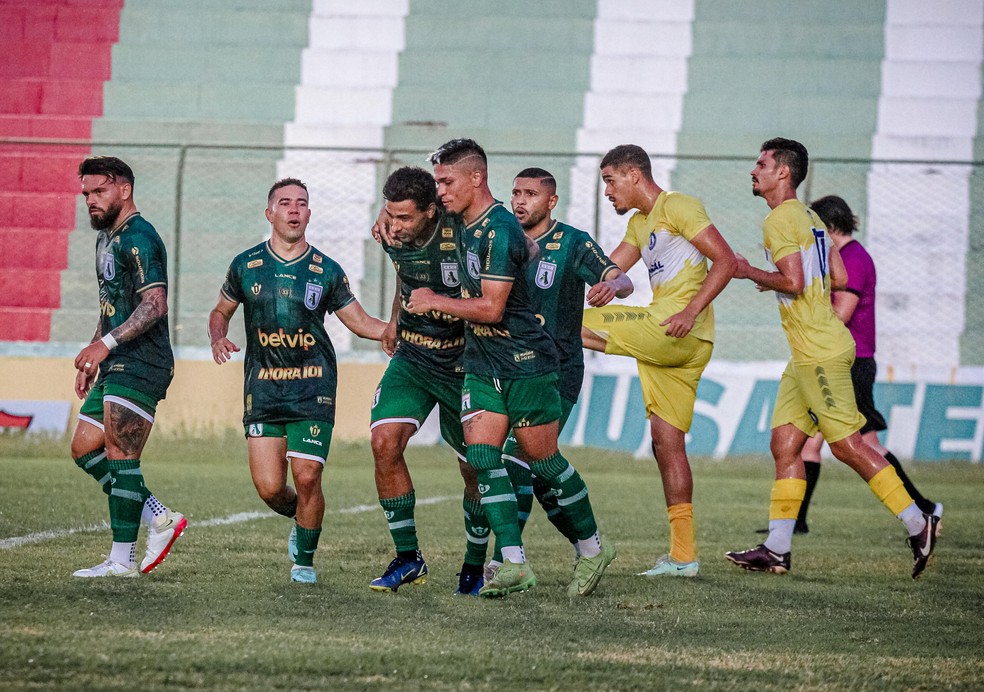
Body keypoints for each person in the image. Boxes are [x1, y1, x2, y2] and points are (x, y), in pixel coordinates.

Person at [407, 138, 616, 598]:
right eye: (437, 182)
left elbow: (493, 308)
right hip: (483, 362)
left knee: (543, 462)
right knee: (482, 456)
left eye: (446, 182)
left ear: (476, 178)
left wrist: (433, 300)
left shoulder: (499, 228)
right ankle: (515, 563)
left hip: (527, 362)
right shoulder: (465, 219)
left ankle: (592, 547)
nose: (439, 191)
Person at [726, 138, 939, 579]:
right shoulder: (808, 217)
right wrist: (782, 279)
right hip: (807, 351)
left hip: (819, 350)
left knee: (846, 446)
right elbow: (836, 274)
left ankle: (919, 523)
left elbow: (795, 282)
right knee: (785, 444)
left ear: (783, 172)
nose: (754, 170)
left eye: (761, 163)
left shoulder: (781, 219)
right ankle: (777, 548)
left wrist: (749, 271)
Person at [209, 178, 387, 584]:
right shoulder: (246, 264)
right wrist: (218, 336)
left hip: (313, 386)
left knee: (307, 476)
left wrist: (394, 331)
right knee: (271, 489)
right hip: (264, 388)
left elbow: (359, 323)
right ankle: (304, 516)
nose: (294, 209)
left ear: (309, 213)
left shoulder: (326, 270)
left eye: (302, 203)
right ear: (269, 213)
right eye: (285, 203)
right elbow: (220, 311)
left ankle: (304, 562)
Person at [580, 144, 737, 578]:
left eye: (610, 181)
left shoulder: (679, 206)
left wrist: (689, 311)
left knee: (562, 322)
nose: (607, 192)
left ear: (633, 174)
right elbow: (612, 268)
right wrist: (611, 284)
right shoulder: (639, 223)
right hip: (678, 344)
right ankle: (683, 557)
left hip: (675, 326)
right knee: (666, 444)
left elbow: (725, 261)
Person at [484, 167, 633, 576]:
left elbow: (621, 279)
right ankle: (589, 547)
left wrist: (611, 286)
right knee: (532, 473)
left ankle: (504, 561)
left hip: (556, 371)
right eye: (515, 192)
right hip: (504, 367)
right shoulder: (499, 239)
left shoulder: (571, 242)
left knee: (519, 460)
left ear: (551, 202)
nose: (519, 201)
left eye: (530, 194)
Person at [366, 166, 491, 596]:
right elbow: (406, 272)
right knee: (384, 442)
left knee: (473, 469)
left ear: (432, 211)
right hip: (414, 357)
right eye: (390, 215)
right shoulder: (391, 233)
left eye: (405, 218)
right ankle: (407, 557)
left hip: (463, 363)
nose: (395, 226)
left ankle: (474, 564)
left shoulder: (464, 235)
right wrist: (396, 319)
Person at [785, 195, 942, 534]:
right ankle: (794, 523)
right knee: (815, 441)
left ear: (828, 227)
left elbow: (842, 313)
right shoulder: (846, 256)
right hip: (844, 360)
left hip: (851, 362)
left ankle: (922, 510)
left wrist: (810, 324)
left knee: (860, 445)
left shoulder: (853, 259)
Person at [70, 155, 186, 578]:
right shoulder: (106, 239)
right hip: (116, 359)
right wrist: (93, 351)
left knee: (121, 451)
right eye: (86, 193)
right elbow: (111, 303)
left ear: (124, 189)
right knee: (84, 448)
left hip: (143, 360)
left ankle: (122, 560)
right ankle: (158, 517)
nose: (90, 200)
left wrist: (107, 344)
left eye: (99, 191)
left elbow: (155, 304)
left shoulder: (141, 237)